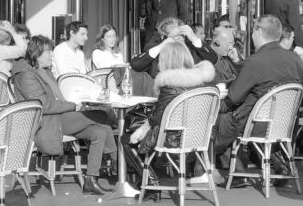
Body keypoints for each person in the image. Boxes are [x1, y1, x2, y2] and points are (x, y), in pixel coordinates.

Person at [10, 36, 116, 195]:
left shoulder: (42, 71)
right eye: (48, 52)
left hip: (58, 117)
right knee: (101, 115)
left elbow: (58, 96)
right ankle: (116, 161)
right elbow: (44, 105)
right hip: (45, 123)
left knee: (99, 132)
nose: (52, 55)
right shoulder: (26, 75)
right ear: (36, 54)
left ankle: (90, 180)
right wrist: (73, 105)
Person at [212, 14, 303, 177]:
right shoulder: (295, 59)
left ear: (259, 32)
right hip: (286, 124)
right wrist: (238, 64)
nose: (251, 35)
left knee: (218, 118)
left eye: (253, 31)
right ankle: (241, 171)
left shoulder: (255, 61)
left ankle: (204, 166)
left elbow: (234, 97)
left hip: (256, 125)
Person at [123, 41, 216, 188]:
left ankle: (150, 183)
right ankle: (145, 181)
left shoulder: (169, 83)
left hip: (173, 138)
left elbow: (158, 118)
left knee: (127, 138)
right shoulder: (201, 81)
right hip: (199, 136)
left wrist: (142, 130)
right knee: (146, 134)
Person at [130, 17, 215, 81]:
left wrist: (194, 39)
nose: (178, 40)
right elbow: (136, 64)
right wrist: (161, 46)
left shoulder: (190, 50)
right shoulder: (158, 51)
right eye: (174, 37)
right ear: (164, 37)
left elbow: (213, 59)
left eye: (181, 36)